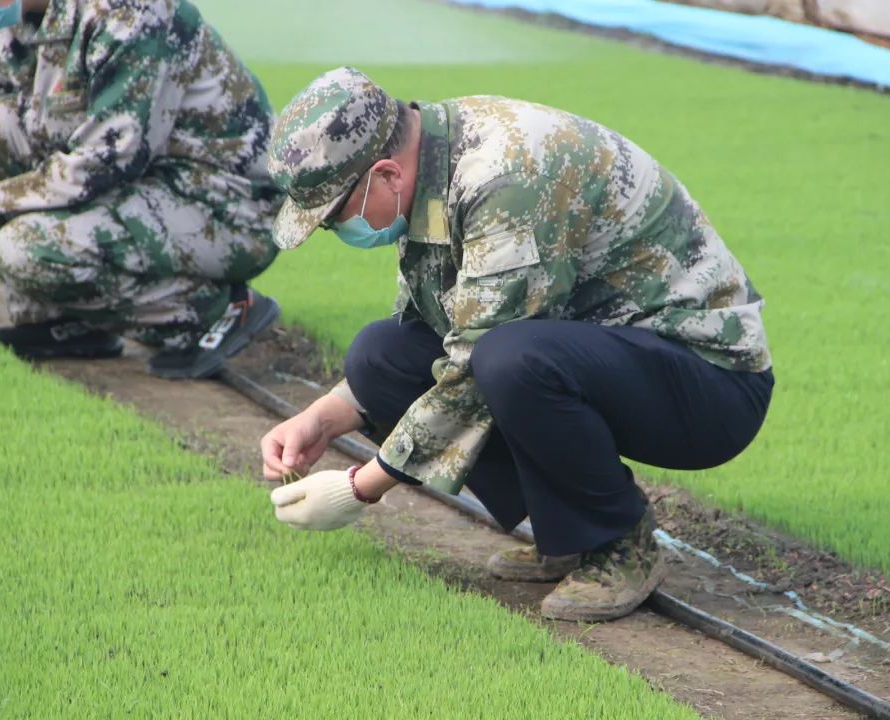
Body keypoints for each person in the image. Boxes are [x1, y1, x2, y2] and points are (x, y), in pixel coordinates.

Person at [259, 67, 774, 622]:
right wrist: (323, 417)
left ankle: (622, 544)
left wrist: (362, 486)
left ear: (385, 173)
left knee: (509, 360)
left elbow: (478, 361)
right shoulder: (431, 163)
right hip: (603, 353)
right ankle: (569, 534)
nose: (340, 233)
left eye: (336, 218)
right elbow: (435, 329)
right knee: (380, 355)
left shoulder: (502, 176)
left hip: (707, 381)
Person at [0, 0, 283, 378]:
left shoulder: (132, 13)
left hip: (225, 205)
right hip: (149, 180)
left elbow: (106, 160)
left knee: (24, 249)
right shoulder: (29, 17)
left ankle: (208, 312)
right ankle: (64, 321)